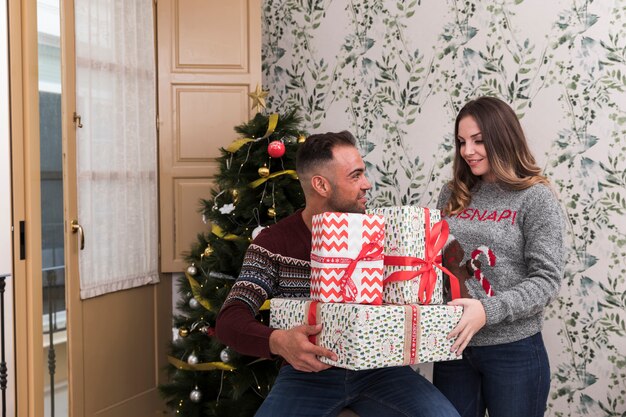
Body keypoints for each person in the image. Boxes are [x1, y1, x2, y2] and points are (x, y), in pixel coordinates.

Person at [216, 131, 460, 417]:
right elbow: (229, 319)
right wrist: (278, 341)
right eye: (355, 176)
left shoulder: (383, 235)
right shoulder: (274, 243)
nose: (367, 184)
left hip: (381, 372)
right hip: (308, 374)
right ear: (321, 185)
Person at [433, 96, 565, 417]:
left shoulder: (535, 198)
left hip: (515, 351)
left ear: (502, 138)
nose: (468, 151)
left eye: (479, 141)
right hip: (454, 347)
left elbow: (546, 281)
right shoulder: (452, 194)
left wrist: (486, 311)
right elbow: (435, 264)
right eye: (462, 142)